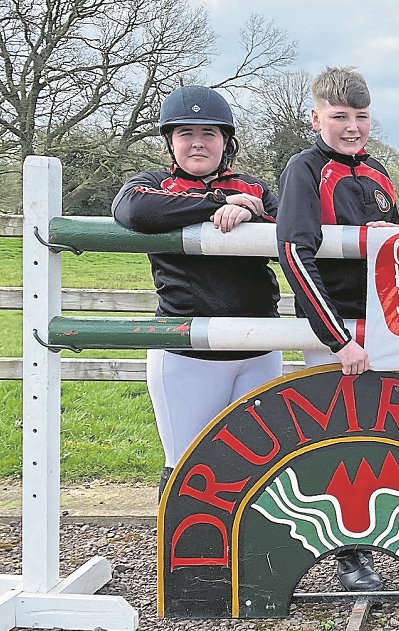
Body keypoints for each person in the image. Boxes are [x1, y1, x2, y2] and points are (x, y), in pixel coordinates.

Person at [111, 86, 282, 500]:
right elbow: (132, 210)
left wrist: (251, 210)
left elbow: (290, 226)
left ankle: (243, 558)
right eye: (186, 133)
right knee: (187, 466)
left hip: (259, 348)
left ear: (226, 141)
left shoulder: (255, 188)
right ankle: (181, 561)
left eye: (209, 132)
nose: (198, 142)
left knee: (259, 466)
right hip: (186, 353)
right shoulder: (154, 183)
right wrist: (217, 202)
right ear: (170, 141)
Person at [276, 66, 399, 592]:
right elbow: (294, 251)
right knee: (335, 438)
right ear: (316, 118)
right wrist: (338, 338)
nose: (352, 127)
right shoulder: (303, 169)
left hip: (382, 328)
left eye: (361, 117)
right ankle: (347, 556)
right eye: (339, 117)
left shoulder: (379, 173)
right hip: (336, 329)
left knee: (380, 439)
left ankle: (374, 540)